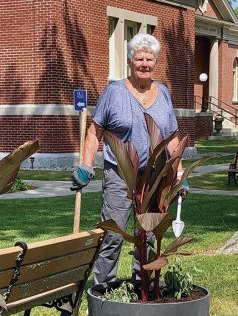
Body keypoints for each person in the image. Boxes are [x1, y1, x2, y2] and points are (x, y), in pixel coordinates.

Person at [70, 33, 183, 291]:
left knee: (150, 233)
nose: (144, 64)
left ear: (156, 62)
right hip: (120, 175)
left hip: (154, 177)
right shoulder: (114, 91)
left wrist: (178, 173)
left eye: (149, 59)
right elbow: (94, 132)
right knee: (113, 234)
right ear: (130, 61)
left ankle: (142, 284)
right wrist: (86, 167)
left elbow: (173, 138)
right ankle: (103, 288)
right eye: (139, 58)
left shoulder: (163, 93)